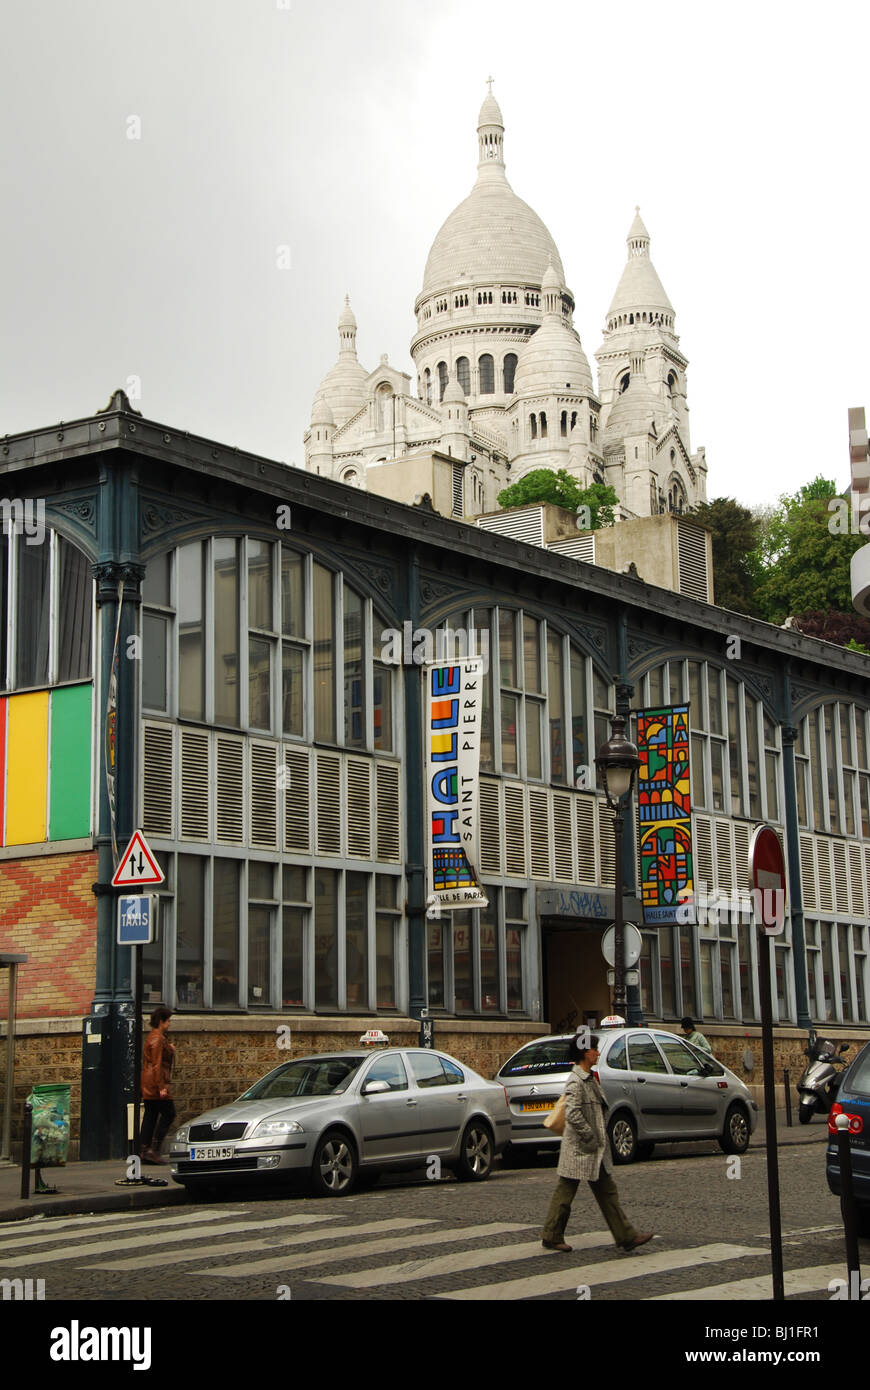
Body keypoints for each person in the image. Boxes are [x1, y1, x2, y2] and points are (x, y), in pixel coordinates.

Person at [541, 1032, 654, 1254]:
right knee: (566, 1193)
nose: (598, 1053)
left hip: (593, 1150)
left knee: (607, 1192)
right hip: (581, 1148)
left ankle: (626, 1236)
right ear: (584, 1053)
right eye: (594, 1049)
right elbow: (573, 1113)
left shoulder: (588, 1077)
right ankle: (552, 1235)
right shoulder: (577, 1080)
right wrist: (589, 1136)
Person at [140, 1005, 176, 1164]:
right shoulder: (158, 1038)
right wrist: (161, 1087)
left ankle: (144, 1149)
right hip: (155, 1082)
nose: (169, 1024)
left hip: (148, 1081)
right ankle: (154, 1149)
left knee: (151, 1114)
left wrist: (170, 1048)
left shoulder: (154, 1037)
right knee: (169, 1113)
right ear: (161, 1021)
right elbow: (157, 1063)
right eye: (168, 1021)